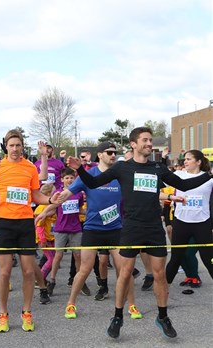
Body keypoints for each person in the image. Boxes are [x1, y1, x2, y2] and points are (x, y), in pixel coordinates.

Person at [66, 126, 212, 339]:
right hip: (131, 228)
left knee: (160, 275)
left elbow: (184, 184)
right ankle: (117, 317)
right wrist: (80, 170)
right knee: (125, 273)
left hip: (154, 228)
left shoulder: (157, 168)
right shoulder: (122, 168)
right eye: (145, 140)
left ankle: (163, 317)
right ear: (133, 144)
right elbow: (94, 182)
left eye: (151, 140)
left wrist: (209, 174)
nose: (149, 143)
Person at [0, 129, 60, 333]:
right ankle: (3, 314)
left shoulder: (30, 168)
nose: (14, 149)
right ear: (5, 146)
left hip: (25, 224)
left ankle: (27, 312)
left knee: (29, 271)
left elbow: (36, 195)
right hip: (4, 224)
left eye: (18, 145)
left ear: (22, 147)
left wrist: (50, 200)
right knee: (4, 272)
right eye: (11, 145)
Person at [51, 142, 140, 319]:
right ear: (100, 154)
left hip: (115, 229)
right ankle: (70, 304)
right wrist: (55, 199)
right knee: (84, 269)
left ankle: (131, 305)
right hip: (93, 229)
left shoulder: (119, 175)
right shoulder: (89, 175)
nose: (113, 155)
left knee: (124, 269)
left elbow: (138, 192)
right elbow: (69, 192)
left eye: (115, 152)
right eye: (109, 152)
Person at [165, 149, 213, 284]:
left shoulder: (209, 178)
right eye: (184, 159)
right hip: (181, 222)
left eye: (188, 159)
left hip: (202, 223)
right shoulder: (178, 174)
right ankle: (162, 290)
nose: (185, 161)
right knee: (175, 258)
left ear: (198, 162)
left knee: (209, 259)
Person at [46, 168, 86, 296]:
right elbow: (52, 208)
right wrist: (42, 215)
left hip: (75, 229)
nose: (69, 180)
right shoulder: (58, 193)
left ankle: (80, 281)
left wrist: (92, 211)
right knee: (58, 255)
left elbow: (80, 209)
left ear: (75, 179)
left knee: (78, 255)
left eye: (71, 178)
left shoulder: (78, 193)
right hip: (61, 229)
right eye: (67, 178)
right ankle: (52, 280)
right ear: (62, 179)